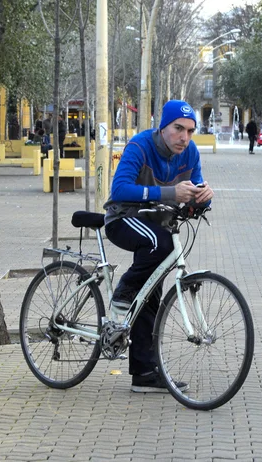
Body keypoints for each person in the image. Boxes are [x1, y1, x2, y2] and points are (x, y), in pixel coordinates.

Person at [104, 100, 214, 393]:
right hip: (123, 219)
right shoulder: (140, 146)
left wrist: (204, 196)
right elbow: (119, 189)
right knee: (161, 243)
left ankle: (144, 372)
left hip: (157, 225)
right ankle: (123, 292)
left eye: (190, 131)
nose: (184, 137)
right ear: (163, 126)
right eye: (178, 129)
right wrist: (170, 191)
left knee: (151, 293)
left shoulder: (189, 152)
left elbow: (197, 187)